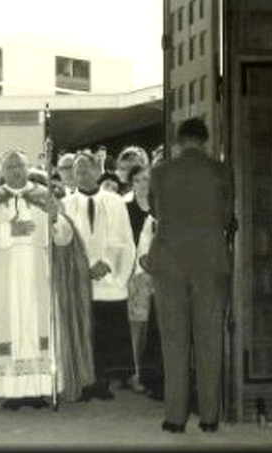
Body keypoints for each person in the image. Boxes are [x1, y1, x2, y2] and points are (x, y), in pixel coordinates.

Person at [0, 150, 94, 409]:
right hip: (1, 278)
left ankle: (40, 388)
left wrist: (56, 218)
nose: (15, 171)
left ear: (27, 167)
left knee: (37, 326)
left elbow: (64, 238)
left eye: (19, 166)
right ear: (2, 172)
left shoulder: (44, 197)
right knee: (5, 328)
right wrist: (9, 230)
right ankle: (10, 391)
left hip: (38, 275)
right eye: (10, 167)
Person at [146, 117, 234, 433]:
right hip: (210, 261)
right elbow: (227, 216)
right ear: (205, 140)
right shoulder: (221, 171)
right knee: (210, 339)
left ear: (178, 141)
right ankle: (209, 417)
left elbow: (154, 211)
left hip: (170, 261)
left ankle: (175, 417)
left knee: (174, 341)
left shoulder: (160, 172)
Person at [62, 152, 136, 401]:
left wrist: (106, 262)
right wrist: (84, 266)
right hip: (80, 276)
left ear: (97, 170)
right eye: (78, 170)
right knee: (84, 331)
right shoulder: (66, 204)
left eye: (86, 169)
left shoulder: (114, 201)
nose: (82, 174)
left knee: (107, 331)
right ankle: (85, 381)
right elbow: (65, 240)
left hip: (109, 275)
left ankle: (104, 380)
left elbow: (123, 236)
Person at [124, 163, 157, 394]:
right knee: (137, 324)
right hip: (134, 272)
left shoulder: (161, 207)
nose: (143, 184)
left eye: (146, 179)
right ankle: (135, 372)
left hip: (161, 273)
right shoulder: (124, 208)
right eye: (137, 180)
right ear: (131, 184)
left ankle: (153, 373)